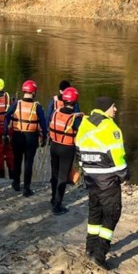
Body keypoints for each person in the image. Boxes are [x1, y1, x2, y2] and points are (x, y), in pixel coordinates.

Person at [75, 95, 128, 270]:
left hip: (90, 178)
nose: (116, 110)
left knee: (95, 213)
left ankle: (89, 249)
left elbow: (78, 148)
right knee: (112, 214)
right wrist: (124, 175)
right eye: (114, 106)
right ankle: (99, 254)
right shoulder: (111, 127)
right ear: (106, 108)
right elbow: (117, 156)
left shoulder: (85, 123)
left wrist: (85, 169)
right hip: (107, 179)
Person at [7, 80, 47, 196]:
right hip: (31, 136)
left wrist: (6, 132)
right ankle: (26, 188)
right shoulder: (37, 106)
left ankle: (16, 183)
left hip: (17, 135)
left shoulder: (16, 104)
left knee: (17, 160)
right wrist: (44, 136)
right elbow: (43, 123)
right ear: (34, 92)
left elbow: (7, 116)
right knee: (28, 162)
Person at [47, 86, 83, 215]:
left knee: (54, 174)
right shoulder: (74, 117)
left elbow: (50, 122)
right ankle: (57, 205)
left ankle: (53, 198)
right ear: (74, 101)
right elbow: (81, 130)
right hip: (67, 148)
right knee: (63, 177)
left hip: (54, 146)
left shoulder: (56, 112)